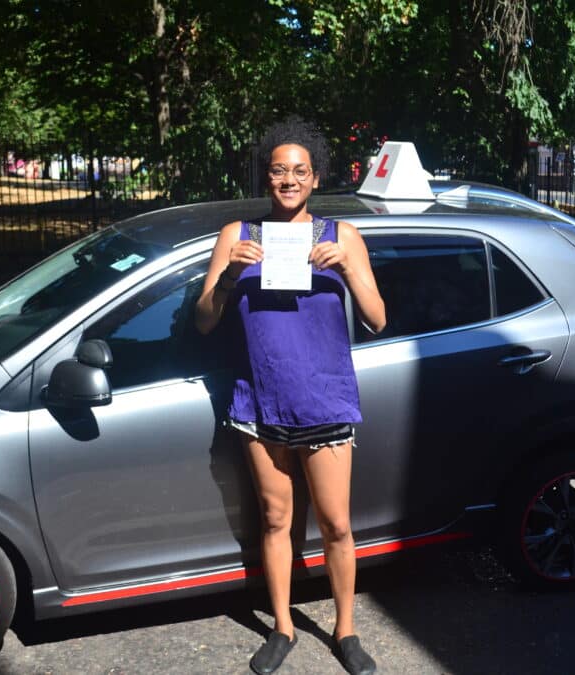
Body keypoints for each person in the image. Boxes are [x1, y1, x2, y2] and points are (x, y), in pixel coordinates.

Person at [194, 119, 386, 675]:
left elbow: (377, 317)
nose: (289, 179)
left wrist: (348, 268)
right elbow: (205, 322)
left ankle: (345, 629)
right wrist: (230, 275)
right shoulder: (238, 235)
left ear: (316, 177)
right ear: (266, 176)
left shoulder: (341, 235)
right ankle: (282, 626)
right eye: (279, 170)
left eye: (299, 170)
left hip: (324, 402)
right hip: (260, 403)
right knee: (276, 522)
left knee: (337, 526)